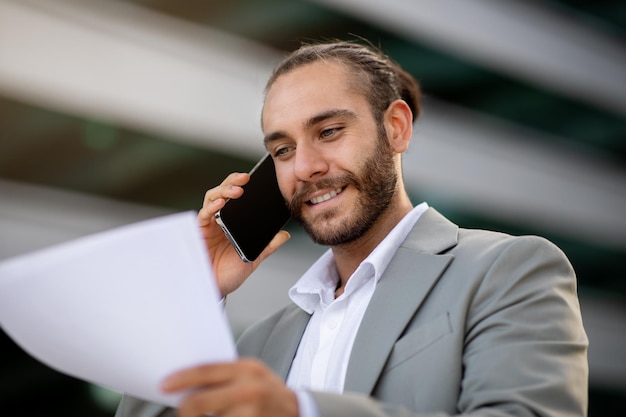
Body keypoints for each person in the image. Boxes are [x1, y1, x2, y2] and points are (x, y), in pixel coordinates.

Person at [115, 40, 588, 417]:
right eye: (282, 151)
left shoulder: (508, 269)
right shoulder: (259, 344)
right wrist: (196, 291)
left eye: (329, 132)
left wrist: (303, 411)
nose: (305, 167)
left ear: (397, 128)